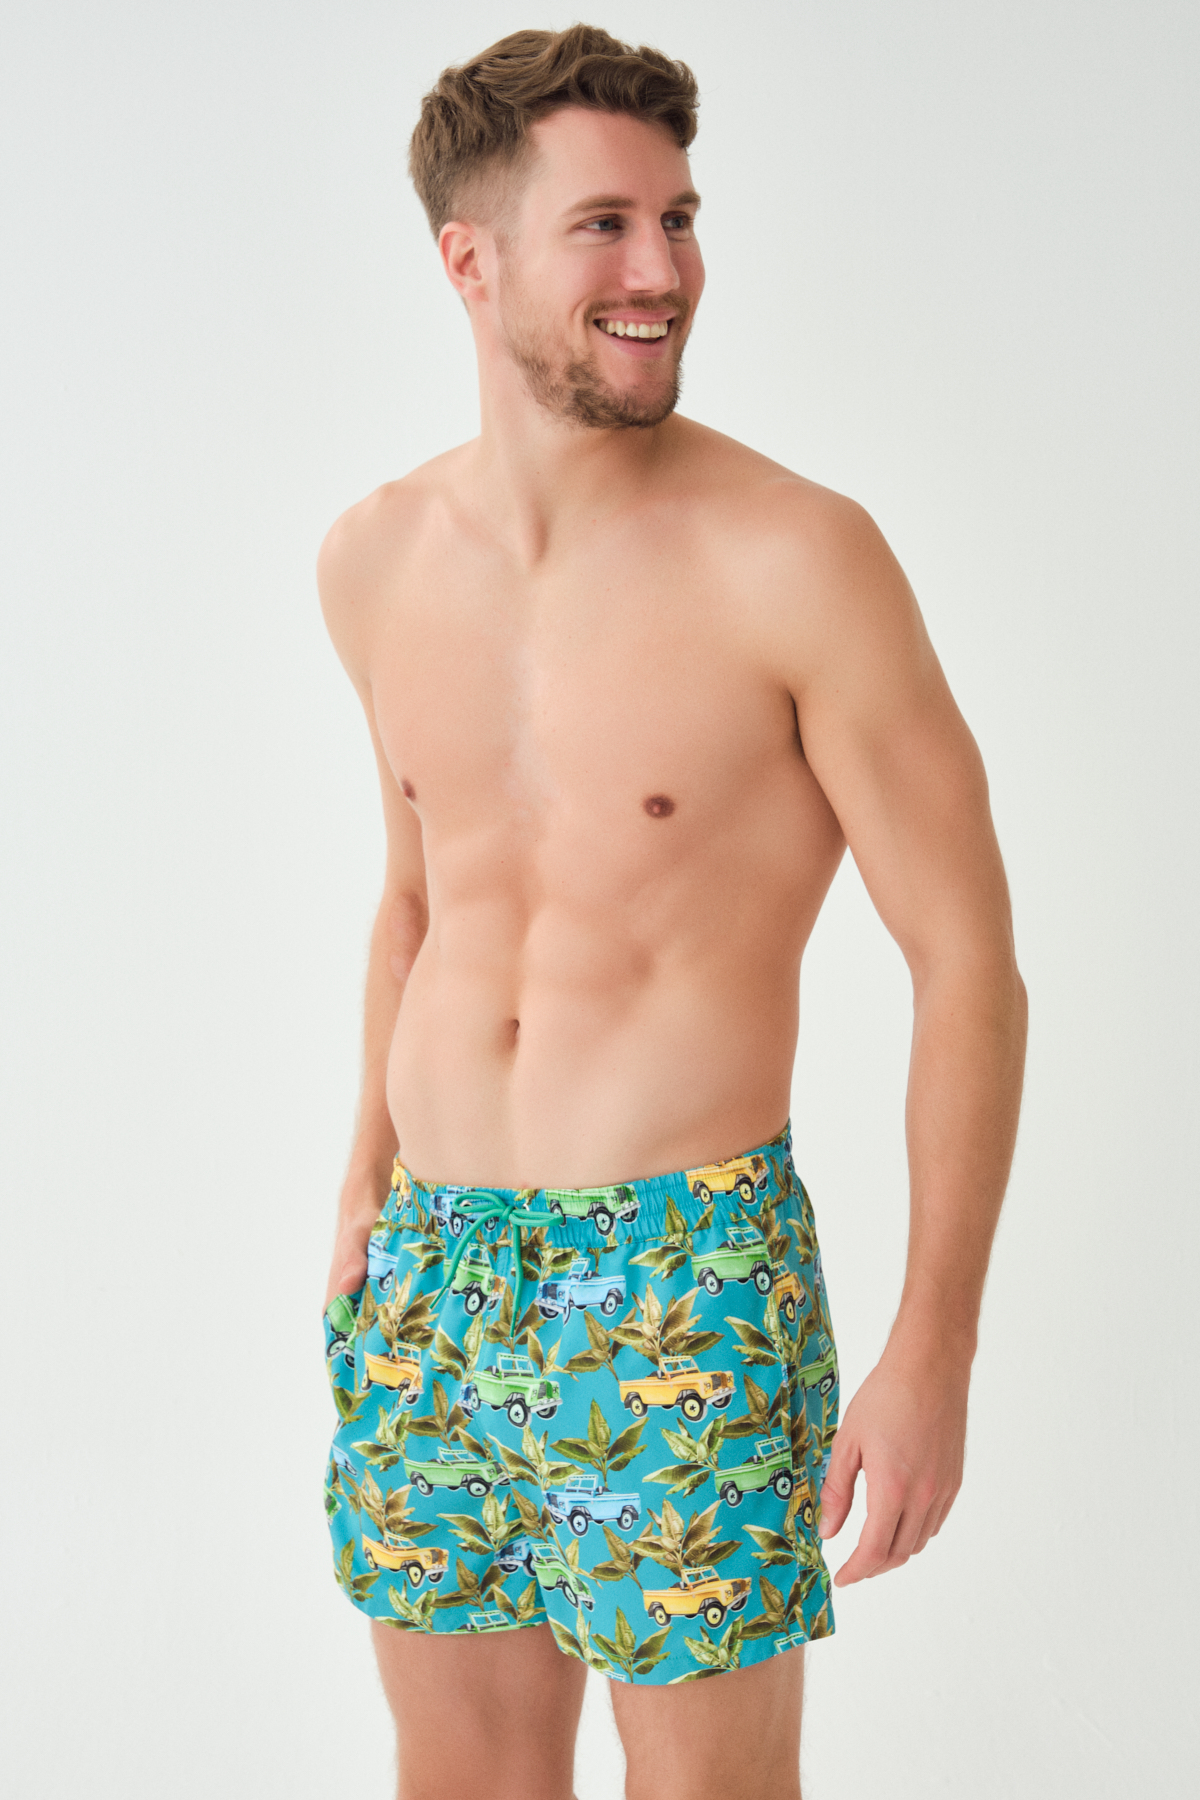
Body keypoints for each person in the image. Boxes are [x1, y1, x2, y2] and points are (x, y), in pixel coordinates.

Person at [317, 24, 1027, 1800]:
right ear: (470, 260)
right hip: (432, 1273)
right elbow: (415, 899)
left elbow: (966, 961)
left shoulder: (798, 558)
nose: (664, 272)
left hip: (682, 1277)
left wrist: (933, 1342)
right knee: (462, 1775)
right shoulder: (375, 559)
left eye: (682, 220)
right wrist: (359, 1191)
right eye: (607, 226)